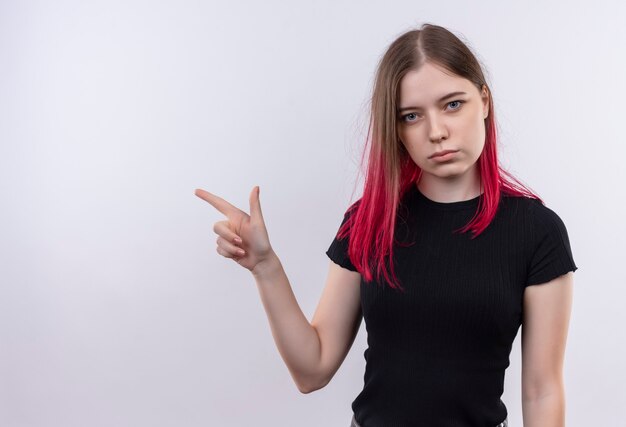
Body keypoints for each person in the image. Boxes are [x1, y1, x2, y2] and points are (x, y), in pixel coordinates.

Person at [195, 23, 577, 427]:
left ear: (483, 101)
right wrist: (264, 266)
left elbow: (543, 392)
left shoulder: (537, 232)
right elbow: (312, 369)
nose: (436, 132)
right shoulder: (368, 221)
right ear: (396, 129)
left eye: (452, 104)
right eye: (411, 116)